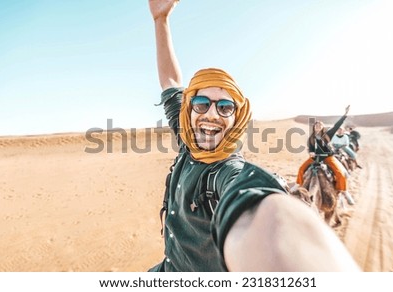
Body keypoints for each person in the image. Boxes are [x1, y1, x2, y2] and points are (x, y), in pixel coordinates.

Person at [148, 0, 360, 272]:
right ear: (188, 111)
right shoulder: (187, 136)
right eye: (201, 103)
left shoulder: (226, 173)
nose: (212, 114)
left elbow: (256, 209)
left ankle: (345, 194)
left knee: (338, 169)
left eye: (225, 107)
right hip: (168, 267)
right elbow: (171, 82)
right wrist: (160, 21)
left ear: (237, 118)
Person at [292, 109, 355, 206]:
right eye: (316, 125)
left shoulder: (328, 135)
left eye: (320, 125)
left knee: (340, 173)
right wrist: (312, 152)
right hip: (315, 158)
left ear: (322, 127)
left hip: (328, 157)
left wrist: (345, 115)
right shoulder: (311, 138)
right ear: (314, 127)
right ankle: (298, 184)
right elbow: (311, 148)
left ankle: (344, 191)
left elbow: (336, 125)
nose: (318, 127)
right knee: (301, 169)